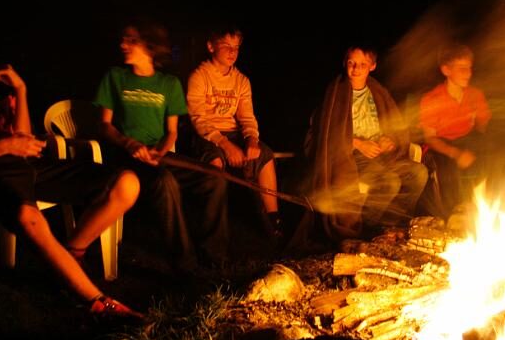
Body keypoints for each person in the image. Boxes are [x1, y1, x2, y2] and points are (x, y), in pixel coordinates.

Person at [0, 19, 142, 319]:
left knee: (126, 183)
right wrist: (1, 148)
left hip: (26, 164)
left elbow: (24, 137)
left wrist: (22, 90)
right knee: (28, 217)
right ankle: (98, 302)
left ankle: (72, 253)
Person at [94, 19, 228, 271]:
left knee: (214, 177)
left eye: (131, 40)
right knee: (164, 182)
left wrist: (161, 152)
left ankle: (214, 255)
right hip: (126, 157)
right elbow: (104, 125)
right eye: (123, 39)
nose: (123, 44)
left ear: (150, 47)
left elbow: (172, 132)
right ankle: (185, 263)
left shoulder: (169, 84)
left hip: (158, 155)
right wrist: (129, 143)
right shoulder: (115, 77)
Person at [307, 45, 428, 239]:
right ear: (345, 64)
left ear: (372, 66)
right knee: (389, 182)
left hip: (381, 152)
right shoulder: (336, 92)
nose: (356, 69)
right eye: (351, 63)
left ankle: (390, 223)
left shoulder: (377, 91)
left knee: (418, 173)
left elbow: (392, 122)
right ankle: (369, 229)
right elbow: (327, 131)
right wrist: (357, 143)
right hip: (352, 154)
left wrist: (391, 140)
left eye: (362, 64)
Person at [186, 25, 283, 241]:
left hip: (233, 133)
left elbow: (247, 117)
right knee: (216, 164)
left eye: (236, 48)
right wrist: (225, 145)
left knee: (264, 156)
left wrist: (251, 140)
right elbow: (198, 119)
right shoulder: (199, 76)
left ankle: (273, 220)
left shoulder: (241, 81)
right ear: (211, 46)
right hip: (207, 135)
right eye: (226, 46)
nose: (232, 52)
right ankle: (214, 230)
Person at [418, 43, 491, 216]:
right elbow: (430, 139)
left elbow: (482, 127)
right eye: (462, 68)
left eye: (470, 68)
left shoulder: (475, 94)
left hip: (466, 138)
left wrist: (479, 124)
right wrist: (457, 154)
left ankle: (489, 208)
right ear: (446, 70)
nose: (468, 73)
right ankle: (452, 214)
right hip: (440, 146)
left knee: (493, 155)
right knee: (448, 167)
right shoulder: (432, 98)